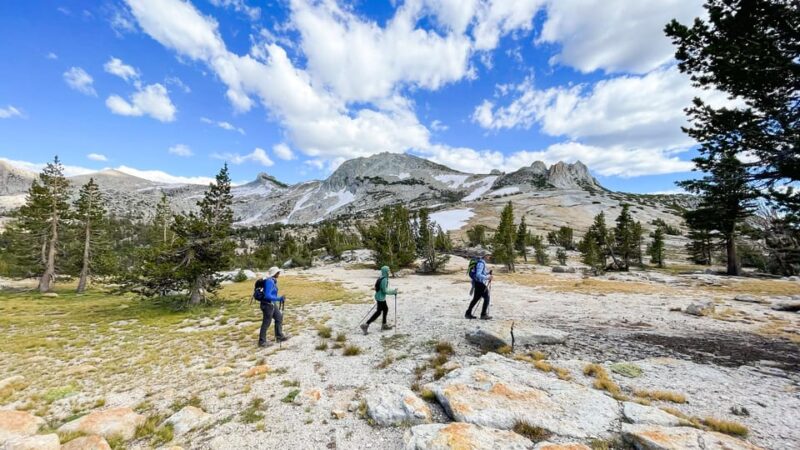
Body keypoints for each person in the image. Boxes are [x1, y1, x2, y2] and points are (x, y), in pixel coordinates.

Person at [258, 267, 290, 347]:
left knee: (279, 317)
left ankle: (279, 336)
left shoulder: (272, 280)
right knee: (266, 323)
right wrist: (279, 298)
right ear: (274, 273)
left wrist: (277, 299)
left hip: (272, 303)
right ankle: (262, 342)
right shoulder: (269, 281)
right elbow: (267, 296)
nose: (279, 274)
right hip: (267, 304)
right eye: (278, 272)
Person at [361, 265, 397, 334]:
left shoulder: (380, 277)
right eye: (388, 270)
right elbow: (384, 291)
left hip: (379, 296)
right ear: (385, 271)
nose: (389, 271)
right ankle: (366, 325)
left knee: (385, 309)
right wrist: (393, 292)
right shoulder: (384, 279)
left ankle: (384, 324)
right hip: (380, 298)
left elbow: (379, 288)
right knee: (378, 312)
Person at [465, 254, 492, 320]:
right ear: (485, 256)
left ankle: (468, 313)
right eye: (489, 255)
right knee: (487, 298)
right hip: (479, 283)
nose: (490, 257)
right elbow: (478, 274)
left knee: (476, 298)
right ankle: (483, 315)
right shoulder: (481, 263)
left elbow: (482, 273)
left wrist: (488, 273)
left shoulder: (480, 262)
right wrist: (487, 277)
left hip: (477, 283)